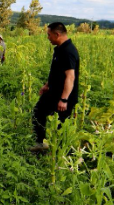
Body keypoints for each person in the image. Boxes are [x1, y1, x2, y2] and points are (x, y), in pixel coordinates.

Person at [30, 22, 79, 152]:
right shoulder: (60, 49)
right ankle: (41, 143)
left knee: (62, 126)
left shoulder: (68, 51)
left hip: (63, 96)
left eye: (49, 35)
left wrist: (64, 99)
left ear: (57, 34)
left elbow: (70, 76)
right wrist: (47, 85)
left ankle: (64, 155)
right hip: (53, 92)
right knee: (38, 112)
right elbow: (57, 72)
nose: (48, 37)